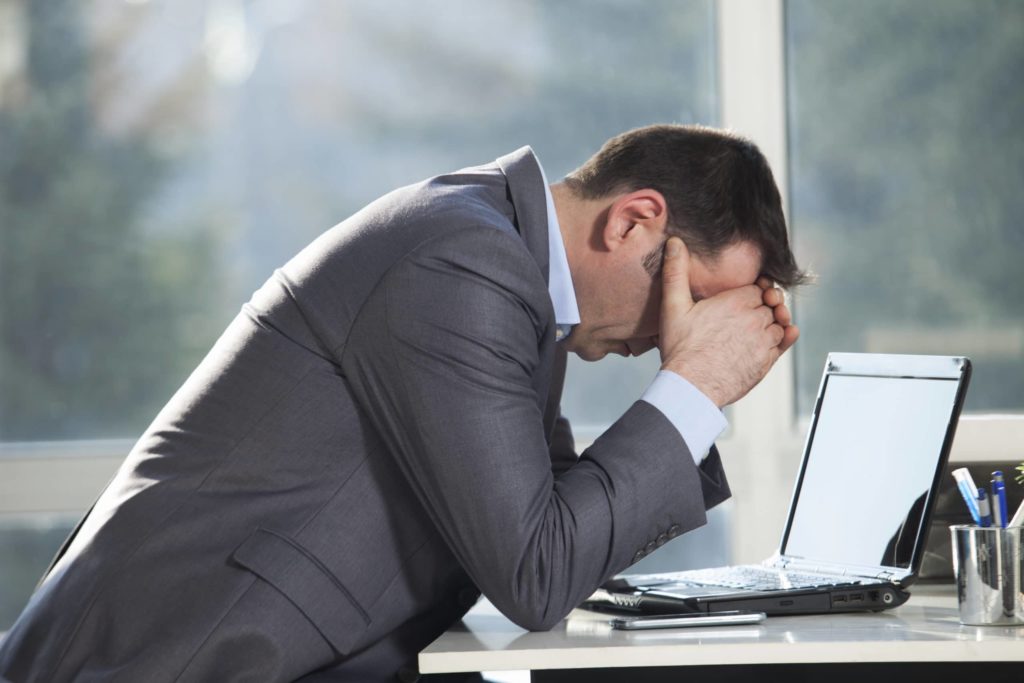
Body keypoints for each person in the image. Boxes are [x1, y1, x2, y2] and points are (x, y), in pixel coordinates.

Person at [0, 124, 806, 682]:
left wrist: (689, 388)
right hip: (168, 664)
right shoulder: (465, 263)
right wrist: (694, 385)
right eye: (695, 298)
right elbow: (538, 569)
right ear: (633, 222)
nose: (680, 329)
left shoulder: (507, 267)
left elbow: (556, 535)